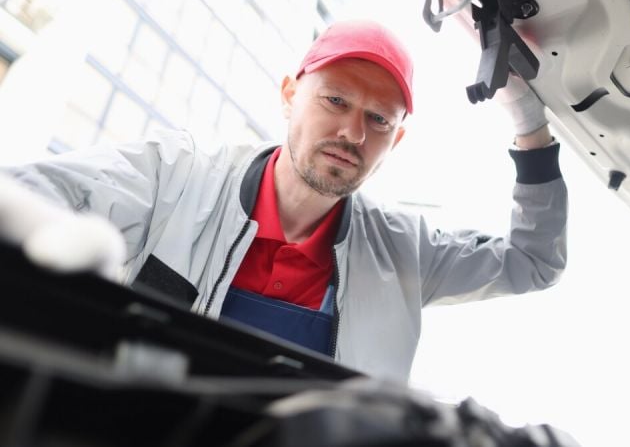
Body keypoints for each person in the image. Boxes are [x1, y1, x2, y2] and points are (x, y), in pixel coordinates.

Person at [1, 20, 567, 382]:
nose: (352, 133)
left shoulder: (406, 252)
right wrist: (39, 228)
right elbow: (31, 192)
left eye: (378, 120)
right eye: (335, 100)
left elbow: (534, 262)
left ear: (395, 141)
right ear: (291, 95)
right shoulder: (174, 177)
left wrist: (528, 125)